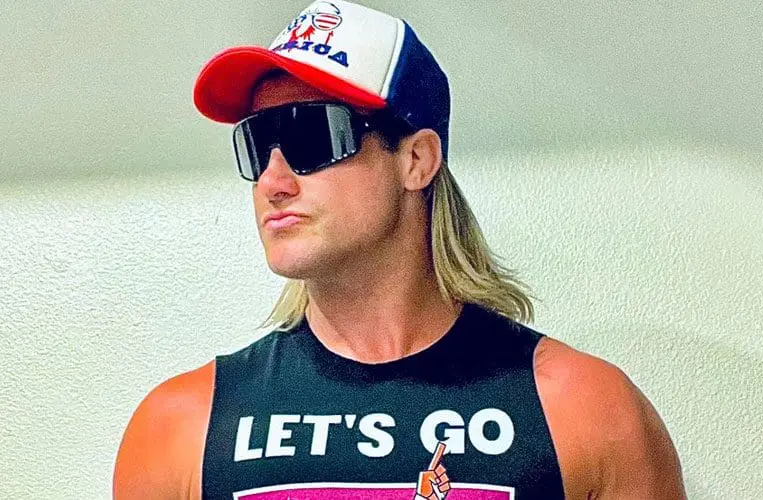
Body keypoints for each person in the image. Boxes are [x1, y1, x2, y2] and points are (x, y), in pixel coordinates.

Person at [113, 1, 687, 499]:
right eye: (258, 145)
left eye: (313, 136)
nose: (273, 181)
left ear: (416, 160)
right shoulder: (180, 429)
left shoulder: (586, 413)